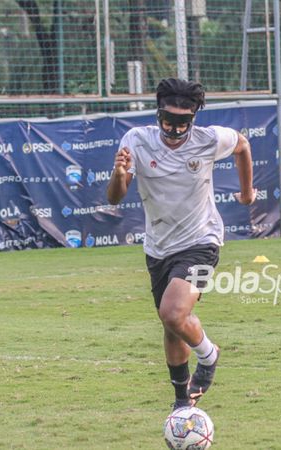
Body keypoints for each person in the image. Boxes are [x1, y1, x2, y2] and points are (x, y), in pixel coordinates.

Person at [107, 78, 255, 409]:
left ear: (195, 118)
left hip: (203, 241)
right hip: (158, 248)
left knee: (173, 313)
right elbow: (115, 196)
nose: (174, 129)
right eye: (168, 120)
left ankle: (209, 354)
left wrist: (246, 193)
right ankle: (181, 403)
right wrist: (119, 175)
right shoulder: (137, 141)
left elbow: (242, 145)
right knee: (171, 325)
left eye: (183, 122)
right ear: (158, 113)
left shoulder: (209, 139)